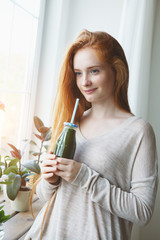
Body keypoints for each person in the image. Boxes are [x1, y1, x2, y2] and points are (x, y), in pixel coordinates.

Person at [25, 29, 158, 240]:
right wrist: (49, 181)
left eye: (94, 71)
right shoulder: (72, 122)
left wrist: (85, 177)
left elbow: (142, 212)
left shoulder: (138, 131)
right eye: (78, 73)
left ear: (117, 71)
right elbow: (45, 196)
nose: (84, 81)